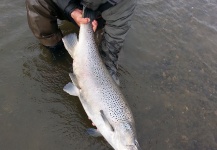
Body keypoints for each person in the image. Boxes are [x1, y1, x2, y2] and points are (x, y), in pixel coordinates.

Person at [25, 0, 136, 84]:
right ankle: (56, 51)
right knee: (36, 2)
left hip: (100, 18)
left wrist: (109, 70)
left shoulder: (126, 3)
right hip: (68, 4)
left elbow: (115, 37)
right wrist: (70, 9)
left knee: (105, 59)